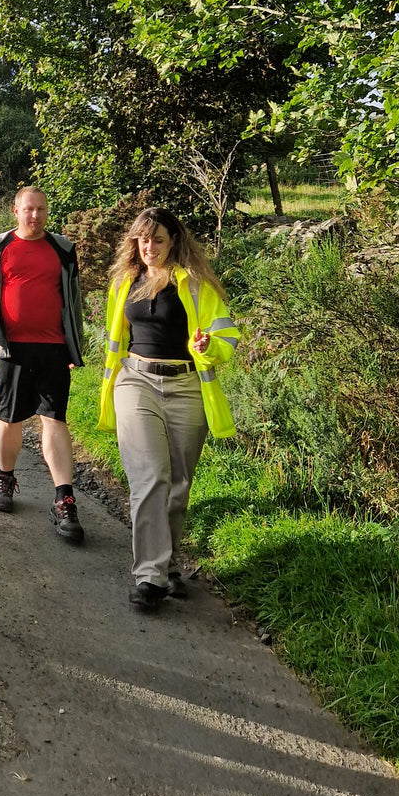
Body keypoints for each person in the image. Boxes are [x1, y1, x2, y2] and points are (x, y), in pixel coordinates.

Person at [98, 206, 240, 611]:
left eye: (158, 239)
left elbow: (226, 334)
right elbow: (115, 339)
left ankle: (167, 562)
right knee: (150, 477)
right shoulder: (125, 282)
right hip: (135, 382)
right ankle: (150, 577)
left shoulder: (195, 284)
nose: (149, 247)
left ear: (173, 241)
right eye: (143, 239)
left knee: (178, 485)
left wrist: (207, 346)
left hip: (186, 387)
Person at [0, 187, 86, 541]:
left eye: (41, 210)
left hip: (53, 347)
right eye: (29, 209)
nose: (35, 216)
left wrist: (74, 346)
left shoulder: (63, 249)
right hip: (10, 349)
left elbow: (73, 300)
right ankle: (5, 478)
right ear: (15, 210)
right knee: (9, 416)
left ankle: (63, 498)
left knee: (54, 418)